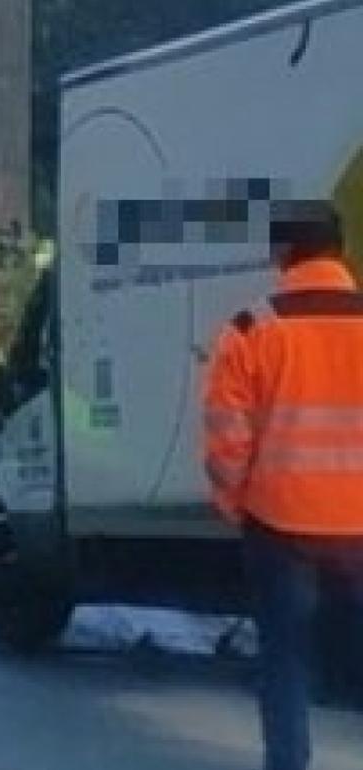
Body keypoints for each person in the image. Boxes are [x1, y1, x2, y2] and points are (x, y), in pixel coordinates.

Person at [203, 199, 363, 770]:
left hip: (280, 526)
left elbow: (226, 436)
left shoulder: (253, 329)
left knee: (285, 663)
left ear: (282, 253)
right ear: (338, 250)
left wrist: (235, 503)